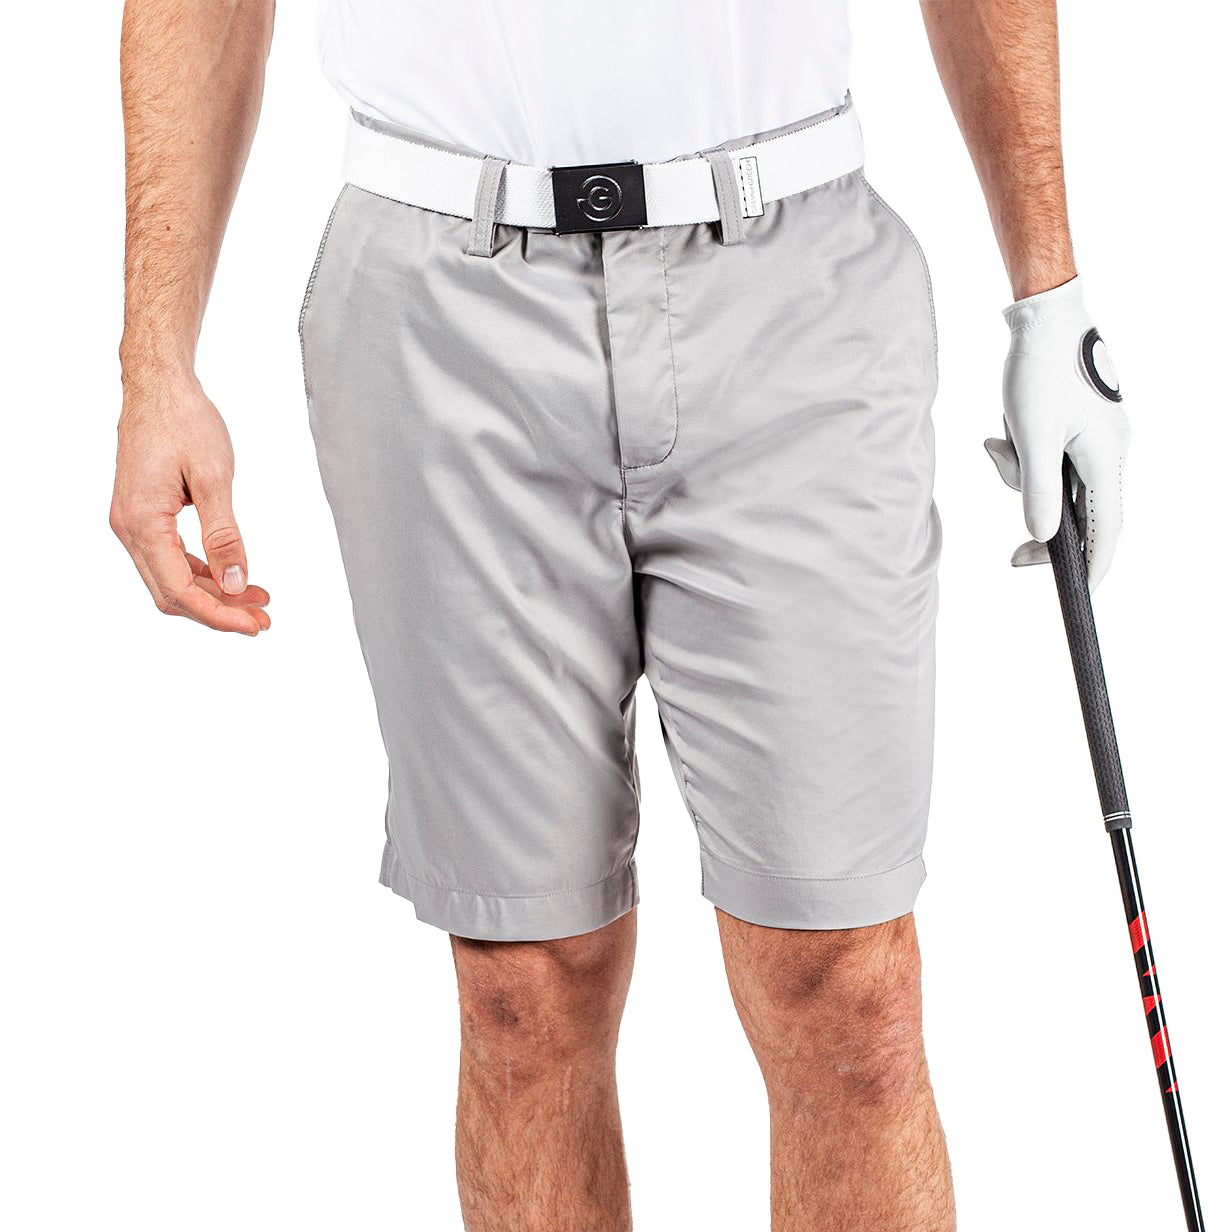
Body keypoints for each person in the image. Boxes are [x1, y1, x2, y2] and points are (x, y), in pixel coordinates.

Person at [110, 2, 1130, 1228]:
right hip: (440, 299)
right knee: (524, 992)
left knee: (846, 987)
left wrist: (1049, 295)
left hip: (791, 285)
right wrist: (153, 360)